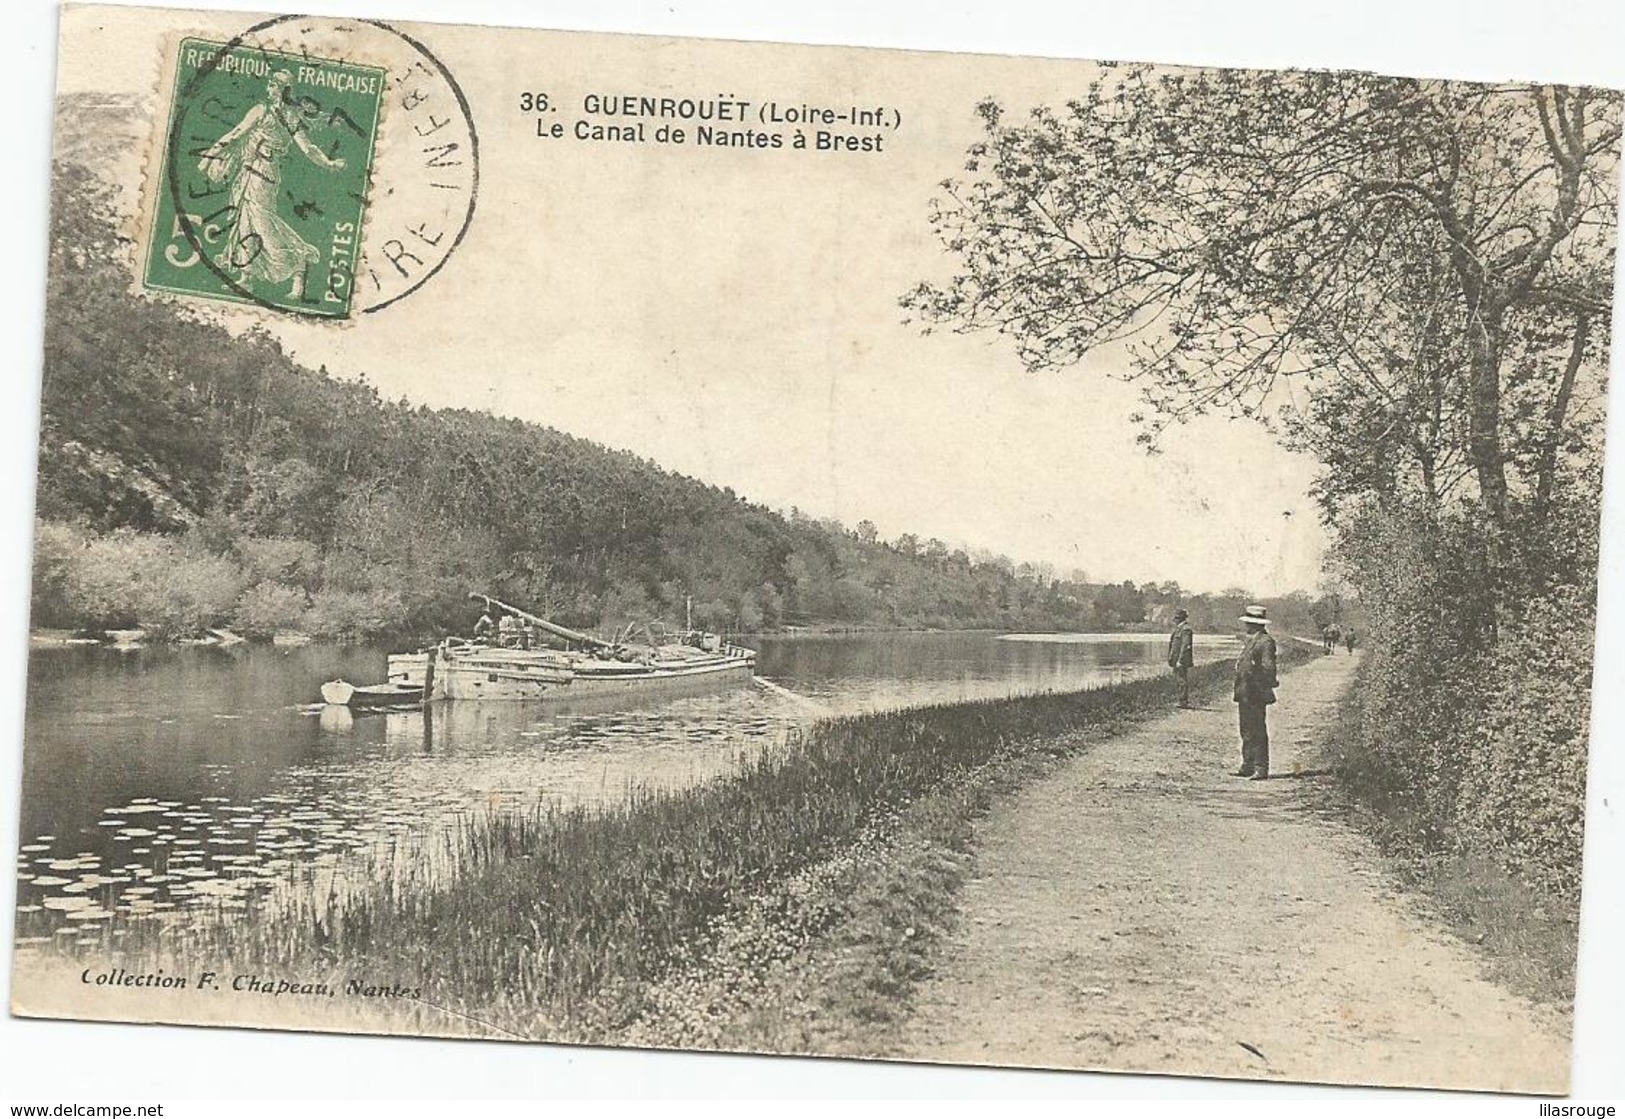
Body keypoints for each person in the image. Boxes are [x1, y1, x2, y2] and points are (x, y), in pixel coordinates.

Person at [196, 71, 347, 302]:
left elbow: (308, 149)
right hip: (249, 172)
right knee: (245, 223)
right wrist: (211, 155)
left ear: (283, 89)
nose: (269, 88)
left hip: (263, 175)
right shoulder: (263, 111)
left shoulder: (288, 117)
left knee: (263, 225)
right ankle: (246, 277)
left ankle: (299, 265)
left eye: (274, 85)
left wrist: (329, 163)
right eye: (270, 84)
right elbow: (236, 135)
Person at [1233, 604, 1279, 781]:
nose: (1247, 626)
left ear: (1256, 624)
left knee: (1257, 729)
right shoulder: (1253, 640)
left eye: (1249, 623)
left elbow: (1269, 669)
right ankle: (1247, 764)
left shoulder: (1265, 642)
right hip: (1245, 690)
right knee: (1246, 729)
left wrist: (1259, 684)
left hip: (1255, 692)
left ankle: (1261, 767)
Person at [1167, 607, 1195, 707]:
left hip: (1180, 660)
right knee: (1179, 680)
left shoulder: (1186, 630)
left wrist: (1180, 660)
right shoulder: (1179, 629)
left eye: (1177, 618)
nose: (1175, 621)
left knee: (1182, 680)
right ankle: (1181, 700)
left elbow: (1185, 646)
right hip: (1176, 659)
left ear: (1180, 619)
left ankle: (1183, 702)